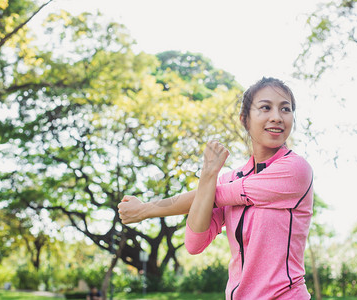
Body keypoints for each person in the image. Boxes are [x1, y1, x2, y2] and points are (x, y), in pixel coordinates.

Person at [118, 77, 313, 299]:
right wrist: (208, 175)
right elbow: (194, 243)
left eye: (285, 109)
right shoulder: (231, 177)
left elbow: (219, 195)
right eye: (265, 107)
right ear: (245, 120)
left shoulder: (295, 169)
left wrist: (145, 210)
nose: (277, 117)